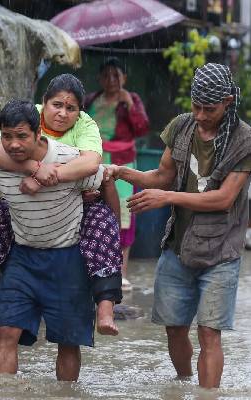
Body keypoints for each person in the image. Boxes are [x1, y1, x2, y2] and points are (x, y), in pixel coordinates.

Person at [105, 63, 251, 389]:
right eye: (196, 107)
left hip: (222, 251)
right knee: (174, 327)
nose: (202, 115)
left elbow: (223, 199)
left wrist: (168, 197)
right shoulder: (182, 126)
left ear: (229, 101)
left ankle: (207, 395)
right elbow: (162, 175)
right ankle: (183, 383)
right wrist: (122, 172)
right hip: (177, 246)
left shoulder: (246, 142)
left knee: (209, 332)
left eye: (210, 108)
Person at [0, 74, 123, 340]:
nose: (63, 113)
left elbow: (92, 165)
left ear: (79, 112)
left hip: (79, 198)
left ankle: (106, 309)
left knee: (104, 225)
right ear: (43, 105)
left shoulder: (86, 126)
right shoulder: (25, 117)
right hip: (25, 209)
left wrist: (46, 178)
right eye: (57, 105)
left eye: (71, 108)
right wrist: (34, 169)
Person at [0, 99, 107, 380]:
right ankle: (1, 394)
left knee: (68, 340)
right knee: (6, 331)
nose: (13, 144)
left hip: (67, 258)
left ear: (39, 134)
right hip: (22, 256)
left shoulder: (69, 159)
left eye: (22, 136)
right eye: (7, 137)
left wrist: (106, 242)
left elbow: (101, 180)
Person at [85, 57, 150, 289]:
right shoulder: (91, 99)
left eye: (116, 75)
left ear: (124, 78)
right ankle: (95, 267)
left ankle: (120, 271)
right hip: (94, 160)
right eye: (106, 75)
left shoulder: (131, 100)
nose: (111, 80)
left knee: (123, 213)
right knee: (93, 208)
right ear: (99, 79)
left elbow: (142, 128)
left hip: (122, 164)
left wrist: (130, 105)